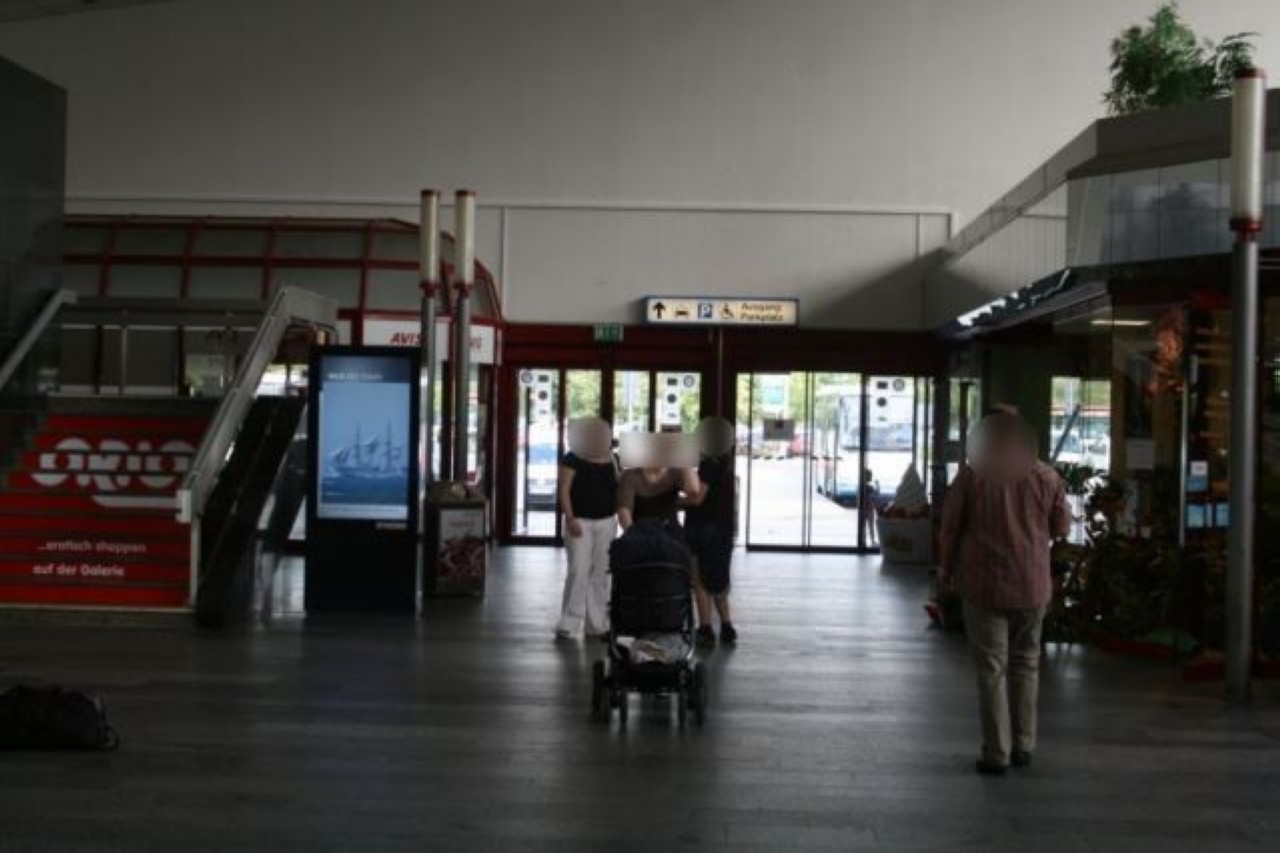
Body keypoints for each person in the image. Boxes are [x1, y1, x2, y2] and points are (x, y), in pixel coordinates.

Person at [938, 409, 1071, 776]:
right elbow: (1062, 527)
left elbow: (950, 527)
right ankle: (1024, 745)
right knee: (1026, 663)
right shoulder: (1046, 476)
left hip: (983, 586)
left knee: (991, 669)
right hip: (1032, 585)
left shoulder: (972, 476)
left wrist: (945, 569)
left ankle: (997, 752)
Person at [555, 417, 618, 640]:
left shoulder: (614, 459)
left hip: (607, 521)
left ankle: (597, 625)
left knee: (601, 572)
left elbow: (620, 487)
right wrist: (570, 518)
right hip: (579, 521)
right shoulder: (572, 458)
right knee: (578, 570)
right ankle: (568, 622)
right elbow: (564, 489)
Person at [684, 416, 738, 647]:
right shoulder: (726, 463)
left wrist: (674, 502)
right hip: (722, 528)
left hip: (701, 526)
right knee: (718, 578)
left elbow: (697, 499)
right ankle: (727, 626)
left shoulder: (707, 465)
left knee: (699, 580)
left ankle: (705, 628)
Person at [859, 469, 880, 547]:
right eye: (870, 475)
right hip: (868, 508)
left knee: (864, 526)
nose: (871, 477)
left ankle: (864, 540)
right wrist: (878, 485)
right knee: (870, 526)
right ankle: (871, 541)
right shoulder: (868, 487)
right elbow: (876, 495)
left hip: (865, 508)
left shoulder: (862, 486)